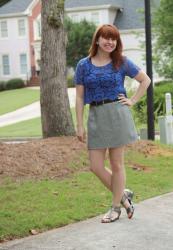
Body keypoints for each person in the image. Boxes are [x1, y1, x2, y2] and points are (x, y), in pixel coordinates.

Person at [74, 24, 150, 223]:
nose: (110, 42)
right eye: (106, 38)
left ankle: (116, 207)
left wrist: (132, 100)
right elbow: (80, 97)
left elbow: (145, 80)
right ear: (97, 40)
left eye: (113, 38)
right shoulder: (84, 65)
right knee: (95, 166)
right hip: (96, 116)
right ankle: (124, 196)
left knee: (117, 164)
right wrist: (79, 124)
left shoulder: (121, 62)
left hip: (117, 114)